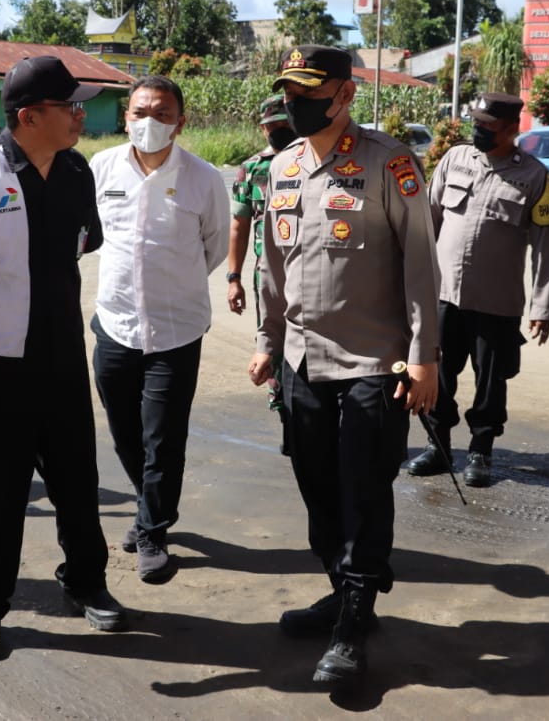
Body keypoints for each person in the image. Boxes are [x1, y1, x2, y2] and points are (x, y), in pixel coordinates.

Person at [0, 55, 124, 660]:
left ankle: (85, 582)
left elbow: (80, 245)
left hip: (60, 356)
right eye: (70, 106)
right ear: (29, 116)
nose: (80, 116)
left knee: (77, 481)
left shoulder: (75, 171)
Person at [249, 45, 440, 690]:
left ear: (344, 95)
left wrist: (425, 357)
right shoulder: (282, 167)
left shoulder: (390, 162)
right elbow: (272, 266)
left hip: (373, 361)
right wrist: (267, 340)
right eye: (290, 93)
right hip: (301, 360)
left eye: (309, 92)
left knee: (363, 490)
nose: (296, 103)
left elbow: (421, 263)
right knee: (317, 488)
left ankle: (354, 623)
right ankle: (342, 590)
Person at [90, 74, 228, 585]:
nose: (150, 122)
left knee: (163, 439)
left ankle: (152, 531)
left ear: (180, 122)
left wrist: (174, 283)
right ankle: (152, 505)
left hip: (176, 331)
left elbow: (214, 246)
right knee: (126, 433)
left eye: (162, 114)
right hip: (115, 324)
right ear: (126, 117)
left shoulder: (203, 178)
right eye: (141, 112)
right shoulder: (101, 168)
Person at [412, 93, 549, 488]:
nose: (477, 130)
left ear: (512, 129)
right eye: (475, 123)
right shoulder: (454, 159)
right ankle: (438, 446)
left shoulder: (535, 177)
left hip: (497, 302)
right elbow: (427, 222)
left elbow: (544, 247)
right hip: (443, 294)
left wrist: (542, 306)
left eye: (487, 126)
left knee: (491, 382)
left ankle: (481, 450)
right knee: (437, 374)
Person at [226, 94, 298, 455]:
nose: (280, 130)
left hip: (312, 276)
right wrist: (233, 278)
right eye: (274, 125)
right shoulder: (252, 169)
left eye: (287, 123)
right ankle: (288, 419)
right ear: (263, 128)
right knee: (273, 347)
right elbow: (238, 227)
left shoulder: (314, 161)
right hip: (267, 279)